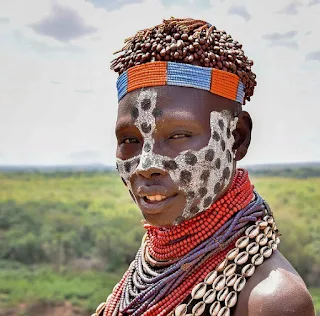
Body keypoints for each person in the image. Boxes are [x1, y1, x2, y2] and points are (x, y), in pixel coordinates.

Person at [92, 18, 315, 316]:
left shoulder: (272, 302)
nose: (145, 165)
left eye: (178, 135)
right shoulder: (154, 259)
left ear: (237, 138)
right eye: (130, 139)